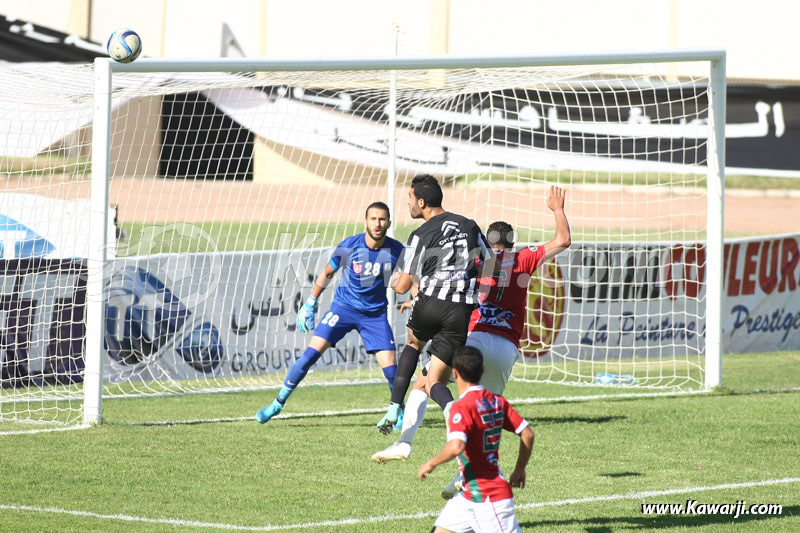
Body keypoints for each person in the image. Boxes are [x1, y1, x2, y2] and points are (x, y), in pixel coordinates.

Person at [373, 187, 571, 498]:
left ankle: (405, 442)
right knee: (485, 415)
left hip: (474, 339)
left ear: (487, 241)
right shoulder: (523, 258)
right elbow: (563, 240)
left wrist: (420, 300)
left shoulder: (478, 259)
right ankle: (465, 473)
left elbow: (447, 281)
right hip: (506, 348)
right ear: (512, 242)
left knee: (426, 382)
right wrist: (557, 209)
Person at [255, 202, 405, 424]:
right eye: (373, 219)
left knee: (392, 370)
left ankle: (399, 412)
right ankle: (277, 403)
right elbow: (327, 273)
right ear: (365, 221)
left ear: (389, 223)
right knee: (309, 356)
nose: (377, 223)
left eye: (382, 219)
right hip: (343, 309)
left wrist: (411, 292)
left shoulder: (397, 250)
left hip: (374, 315)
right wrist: (311, 302)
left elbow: (409, 279)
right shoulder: (349, 246)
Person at [376, 174, 495, 434]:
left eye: (410, 198)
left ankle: (394, 407)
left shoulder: (419, 235)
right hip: (460, 311)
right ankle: (452, 409)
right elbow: (492, 265)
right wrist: (466, 278)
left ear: (421, 202)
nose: (408, 204)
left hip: (430, 303)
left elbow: (403, 286)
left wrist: (393, 280)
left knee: (413, 344)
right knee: (434, 381)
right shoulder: (469, 225)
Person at [418, 346, 534, 533]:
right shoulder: (497, 401)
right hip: (468, 492)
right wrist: (520, 469)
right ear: (482, 371)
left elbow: (456, 446)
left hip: (489, 497)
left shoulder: (461, 407)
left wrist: (431, 463)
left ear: (455, 374)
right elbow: (527, 433)